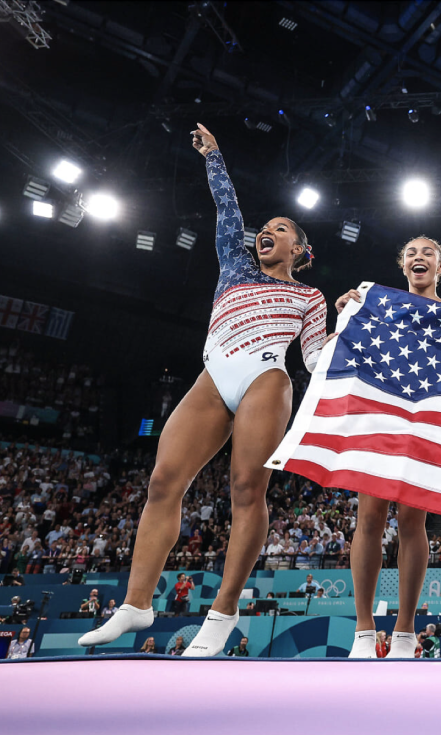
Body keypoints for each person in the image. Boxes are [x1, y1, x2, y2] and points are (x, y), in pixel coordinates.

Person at [79, 124, 327, 658]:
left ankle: (224, 612)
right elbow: (227, 212)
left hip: (266, 377)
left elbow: (312, 360)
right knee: (163, 481)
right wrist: (214, 156)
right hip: (212, 377)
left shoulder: (309, 294)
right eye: (265, 226)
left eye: (280, 228)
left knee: (245, 490)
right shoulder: (235, 266)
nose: (266, 230)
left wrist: (349, 326)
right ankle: (136, 604)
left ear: (300, 248)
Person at [333, 236, 441, 658]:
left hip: (426, 421)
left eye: (428, 253)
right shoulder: (379, 308)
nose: (419, 257)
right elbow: (347, 348)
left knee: (412, 522)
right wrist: (348, 311)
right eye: (411, 253)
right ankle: (364, 631)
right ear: (403, 266)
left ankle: (404, 631)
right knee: (369, 518)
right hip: (382, 416)